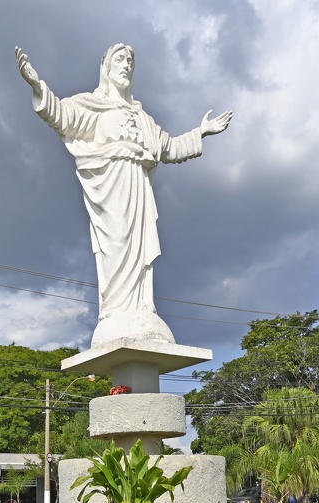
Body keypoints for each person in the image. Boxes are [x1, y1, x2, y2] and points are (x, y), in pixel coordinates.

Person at [17, 44, 232, 346]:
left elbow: (168, 149)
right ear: (105, 67)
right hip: (111, 185)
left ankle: (142, 307)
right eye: (119, 59)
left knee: (141, 247)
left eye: (130, 61)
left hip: (139, 186)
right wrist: (38, 86)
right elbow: (62, 116)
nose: (126, 65)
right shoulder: (93, 106)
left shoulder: (143, 118)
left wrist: (201, 132)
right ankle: (117, 310)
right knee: (117, 242)